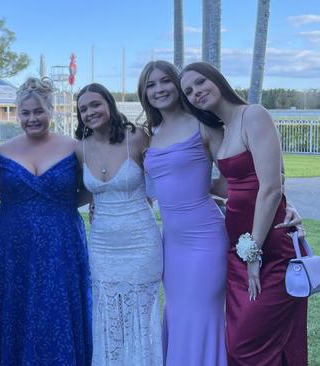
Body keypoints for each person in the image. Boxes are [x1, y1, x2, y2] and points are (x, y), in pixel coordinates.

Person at [180, 62, 308, 366]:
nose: (196, 92)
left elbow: (272, 187)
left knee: (244, 347)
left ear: (217, 80)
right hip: (238, 252)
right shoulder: (224, 131)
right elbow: (232, 189)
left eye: (200, 82)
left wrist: (254, 252)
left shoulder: (254, 115)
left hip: (268, 250)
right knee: (241, 343)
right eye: (188, 91)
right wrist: (177, 189)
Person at [0, 77, 91, 365]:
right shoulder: (0, 153)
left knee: (56, 308)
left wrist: (58, 206)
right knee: (17, 308)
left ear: (51, 111)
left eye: (38, 112)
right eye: (25, 113)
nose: (32, 118)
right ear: (17, 113)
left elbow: (90, 188)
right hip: (14, 244)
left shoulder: (75, 148)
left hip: (62, 241)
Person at [139, 60, 230, 366]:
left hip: (205, 240)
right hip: (171, 244)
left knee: (202, 316)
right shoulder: (152, 133)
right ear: (144, 93)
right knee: (177, 315)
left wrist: (285, 204)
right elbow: (151, 188)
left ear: (177, 85)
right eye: (151, 85)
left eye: (165, 81)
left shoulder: (203, 123)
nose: (159, 89)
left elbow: (234, 182)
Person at [75, 83, 163, 365]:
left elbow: (162, 180)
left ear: (110, 105)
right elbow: (84, 191)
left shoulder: (137, 138)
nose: (90, 112)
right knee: (108, 318)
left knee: (139, 318)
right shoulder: (80, 149)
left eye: (95, 104)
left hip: (140, 243)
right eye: (84, 109)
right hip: (102, 246)